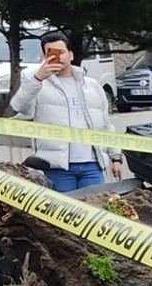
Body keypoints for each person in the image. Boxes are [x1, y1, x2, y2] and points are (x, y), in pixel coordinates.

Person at [11, 31, 122, 193]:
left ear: (71, 55)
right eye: (51, 53)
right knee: (64, 214)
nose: (58, 57)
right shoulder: (36, 83)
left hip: (93, 165)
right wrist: (37, 79)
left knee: (95, 212)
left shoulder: (92, 85)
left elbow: (106, 125)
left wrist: (116, 157)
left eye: (61, 52)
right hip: (57, 167)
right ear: (44, 56)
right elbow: (19, 106)